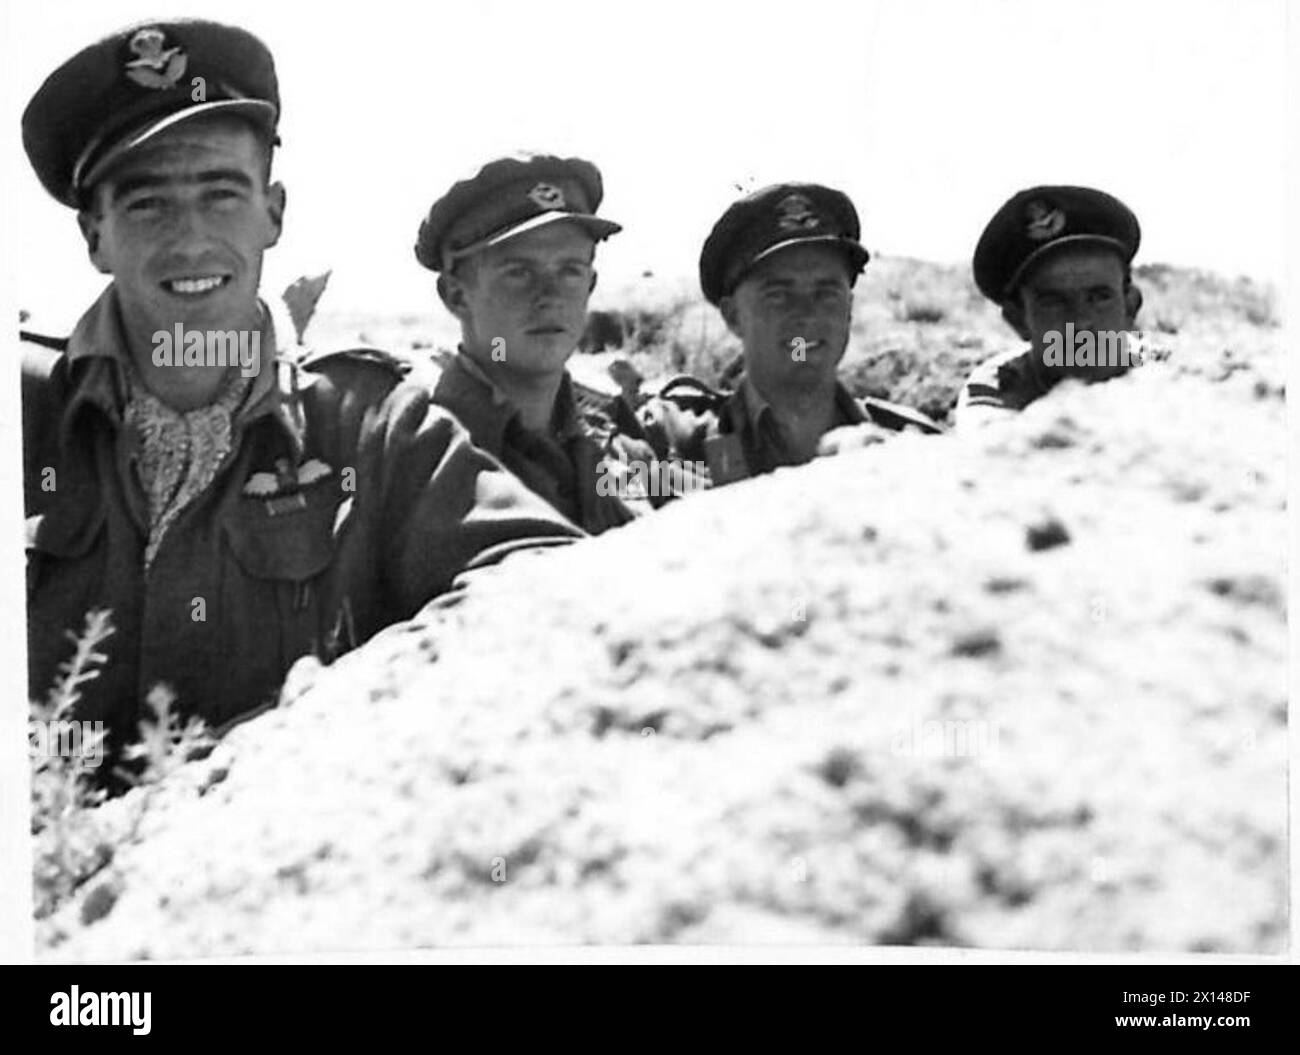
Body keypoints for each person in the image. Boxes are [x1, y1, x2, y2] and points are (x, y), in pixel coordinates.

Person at [21, 20, 583, 778]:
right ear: (95, 235)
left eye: (222, 195)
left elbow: (548, 584)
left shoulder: (368, 424)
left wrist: (324, 721)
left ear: (273, 212)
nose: (190, 240)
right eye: (148, 205)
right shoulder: (24, 411)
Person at [414, 154, 684, 530]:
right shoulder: (415, 458)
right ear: (457, 296)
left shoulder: (623, 447)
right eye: (519, 272)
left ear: (590, 285)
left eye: (569, 271)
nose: (550, 296)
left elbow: (702, 518)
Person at [640, 182, 942, 487]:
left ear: (849, 309)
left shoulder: (912, 445)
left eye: (826, 293)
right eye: (779, 294)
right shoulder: (674, 440)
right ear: (733, 316)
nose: (806, 315)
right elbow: (607, 484)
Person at [955, 185, 1144, 427]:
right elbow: (992, 441)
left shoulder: (1164, 372)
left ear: (1130, 307)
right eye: (1054, 302)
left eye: (1099, 297)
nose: (1080, 322)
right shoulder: (999, 387)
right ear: (1019, 321)